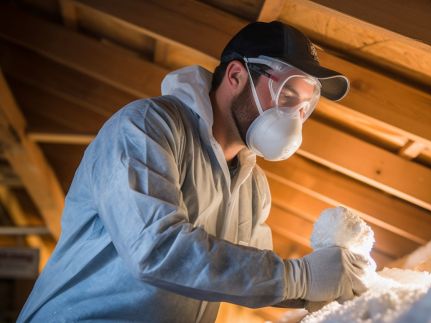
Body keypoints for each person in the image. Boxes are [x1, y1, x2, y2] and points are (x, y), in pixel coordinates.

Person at [17, 21, 369, 322]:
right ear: (235, 75)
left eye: (305, 105)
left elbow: (251, 278)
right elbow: (156, 249)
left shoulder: (253, 187)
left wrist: (333, 281)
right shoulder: (146, 127)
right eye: (287, 94)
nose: (295, 115)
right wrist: (302, 277)